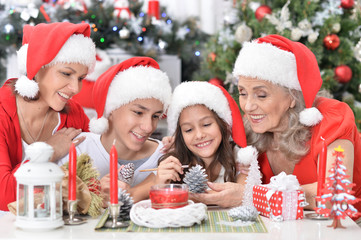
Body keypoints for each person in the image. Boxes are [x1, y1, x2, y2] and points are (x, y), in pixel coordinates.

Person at [197, 34, 361, 222]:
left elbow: (335, 194)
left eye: (261, 95)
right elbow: (208, 140)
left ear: (292, 96)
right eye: (242, 93)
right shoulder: (252, 126)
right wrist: (171, 145)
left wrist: (252, 196)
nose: (248, 106)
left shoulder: (331, 118)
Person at [0, 22, 97, 211]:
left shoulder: (74, 113)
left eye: (80, 78)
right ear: (37, 66)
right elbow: (4, 196)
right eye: (66, 73)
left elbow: (92, 172)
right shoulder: (2, 112)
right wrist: (49, 151)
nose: (75, 89)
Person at [58, 57, 172, 204]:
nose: (149, 127)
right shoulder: (77, 150)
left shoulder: (167, 157)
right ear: (111, 108)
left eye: (156, 116)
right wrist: (88, 194)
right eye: (138, 112)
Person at [155, 81, 257, 206]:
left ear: (223, 124)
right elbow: (160, 205)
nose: (199, 135)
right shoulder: (174, 163)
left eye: (206, 124)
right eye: (188, 130)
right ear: (181, 135)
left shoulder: (239, 159)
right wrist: (159, 184)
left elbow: (245, 194)